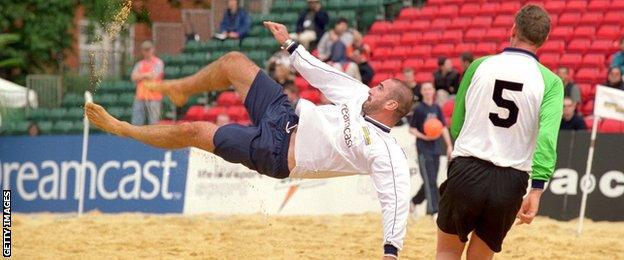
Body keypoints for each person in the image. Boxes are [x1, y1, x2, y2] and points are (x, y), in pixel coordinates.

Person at [85, 21, 413, 260]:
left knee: (193, 131)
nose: (373, 88)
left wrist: (390, 251)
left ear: (391, 106)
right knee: (233, 61)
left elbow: (395, 197)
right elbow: (325, 75)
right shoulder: (359, 95)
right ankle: (184, 86)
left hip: (278, 152)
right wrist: (291, 45)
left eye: (381, 89)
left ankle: (123, 129)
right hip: (286, 114)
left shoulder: (384, 149)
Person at [438, 5, 564, 259]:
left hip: (468, 167)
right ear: (544, 40)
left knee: (447, 252)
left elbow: (457, 124)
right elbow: (547, 139)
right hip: (510, 181)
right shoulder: (551, 82)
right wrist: (537, 189)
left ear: (513, 29)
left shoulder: (479, 66)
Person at [408, 83, 453, 217]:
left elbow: (443, 127)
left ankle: (413, 202)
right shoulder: (419, 109)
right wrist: (424, 137)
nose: (428, 91)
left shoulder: (436, 108)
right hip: (423, 149)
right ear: (422, 92)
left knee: (431, 180)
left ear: (433, 91)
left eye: (429, 89)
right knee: (431, 181)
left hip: (436, 149)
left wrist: (449, 145)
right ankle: (434, 211)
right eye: (425, 89)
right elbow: (411, 129)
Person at [130, 41, 164, 125]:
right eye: (145, 50)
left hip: (154, 98)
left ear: (153, 50)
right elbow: (133, 77)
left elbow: (153, 76)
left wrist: (140, 76)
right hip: (140, 97)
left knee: (154, 124)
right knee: (136, 124)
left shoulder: (158, 62)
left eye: (149, 49)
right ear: (142, 51)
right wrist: (146, 75)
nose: (147, 52)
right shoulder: (139, 64)